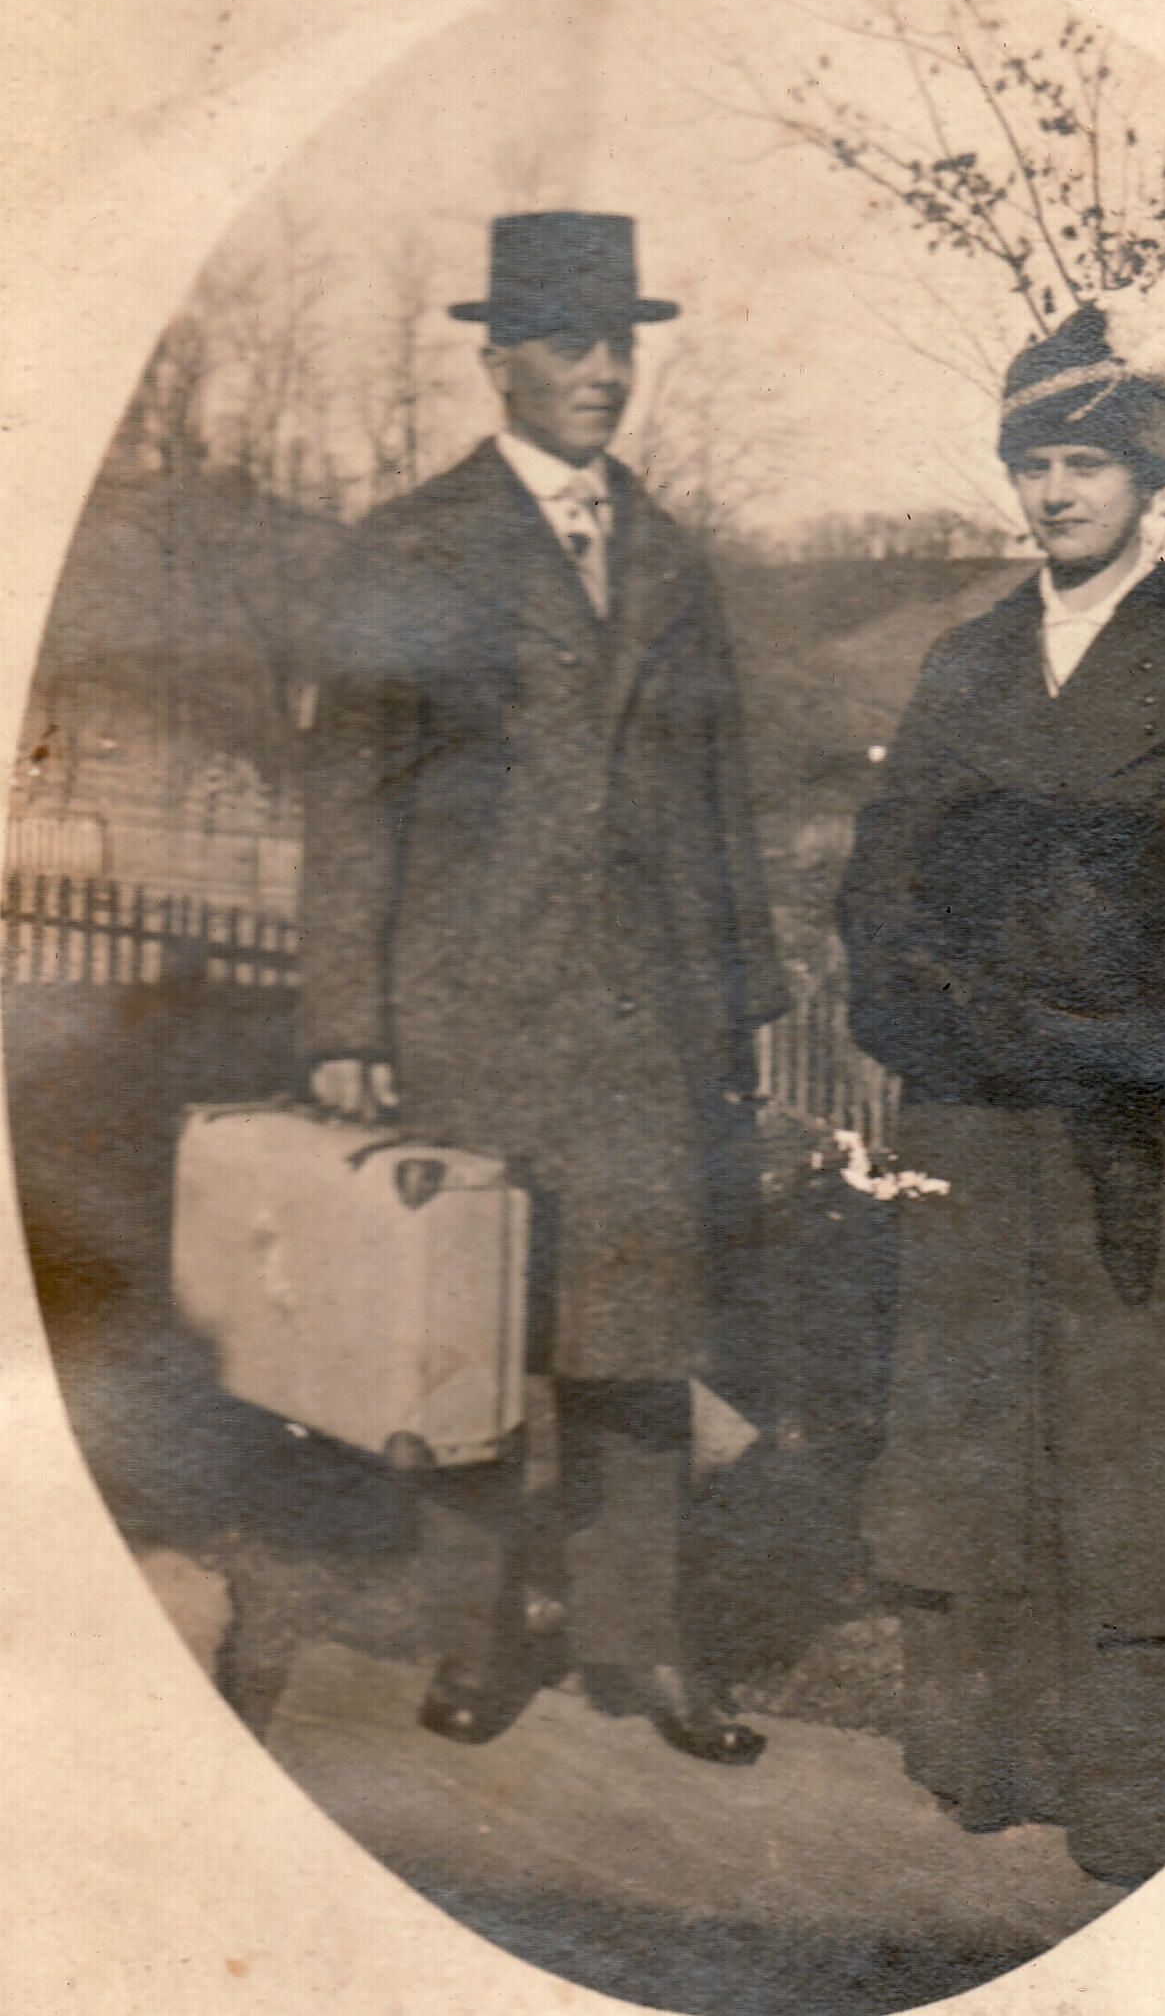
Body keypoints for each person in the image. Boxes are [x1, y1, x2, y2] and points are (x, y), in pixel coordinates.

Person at [836, 303, 1165, 1885]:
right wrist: (933, 991)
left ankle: (1146, 1780)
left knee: (1150, 1439)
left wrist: (1135, 923)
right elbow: (881, 874)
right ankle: (995, 1755)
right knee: (986, 1424)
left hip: (1152, 1106)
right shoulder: (964, 661)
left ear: (1149, 481)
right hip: (986, 1102)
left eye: (1087, 464)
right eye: (1032, 464)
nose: (1054, 492)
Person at [298, 212, 785, 1764]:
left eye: (620, 343)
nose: (604, 372)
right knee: (471, 1344)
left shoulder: (671, 555)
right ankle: (472, 1641)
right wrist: (347, 1023)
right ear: (498, 359)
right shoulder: (410, 547)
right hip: (470, 1011)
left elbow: (716, 798)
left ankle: (644, 1651)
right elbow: (351, 796)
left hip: (644, 1023)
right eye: (571, 343)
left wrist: (740, 1006)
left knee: (640, 1352)